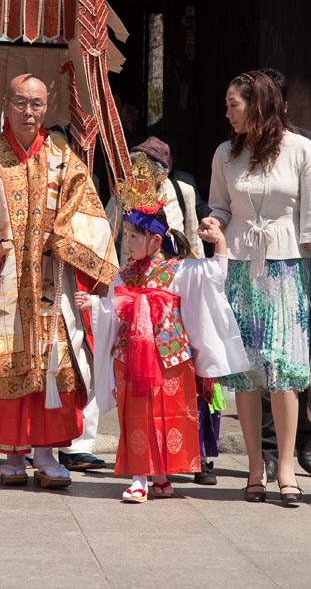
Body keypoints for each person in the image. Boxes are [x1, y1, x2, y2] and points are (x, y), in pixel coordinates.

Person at [0, 73, 117, 489]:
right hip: (4, 283)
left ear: (47, 107)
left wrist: (66, 241)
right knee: (10, 362)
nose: (29, 112)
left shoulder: (63, 159)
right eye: (20, 102)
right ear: (6, 103)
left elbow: (87, 213)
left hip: (53, 281)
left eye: (36, 104)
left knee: (54, 366)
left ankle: (46, 454)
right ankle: (13, 455)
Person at [76, 153, 249, 503]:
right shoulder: (123, 275)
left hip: (170, 356)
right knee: (138, 416)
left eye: (134, 236)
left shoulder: (177, 270)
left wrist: (221, 244)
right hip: (132, 358)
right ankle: (140, 476)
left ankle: (160, 476)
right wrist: (96, 306)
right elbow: (114, 308)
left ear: (155, 240)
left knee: (166, 415)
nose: (128, 242)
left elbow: (214, 275)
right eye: (124, 234)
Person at [201, 69, 311, 506]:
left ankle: (285, 466)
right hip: (241, 267)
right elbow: (220, 205)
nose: (227, 113)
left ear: (259, 104)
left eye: (234, 104)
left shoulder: (301, 149)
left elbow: (309, 218)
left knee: (283, 369)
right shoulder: (225, 153)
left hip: (286, 268)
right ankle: (254, 467)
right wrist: (215, 223)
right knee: (245, 370)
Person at [130, 136, 222, 485]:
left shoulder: (180, 189)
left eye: (145, 164)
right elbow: (114, 232)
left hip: (177, 283)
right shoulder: (125, 193)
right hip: (140, 287)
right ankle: (157, 460)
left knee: (196, 374)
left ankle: (199, 456)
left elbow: (194, 236)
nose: (139, 170)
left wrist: (196, 279)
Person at [257, 67, 311, 481]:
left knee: (295, 364)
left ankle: (302, 444)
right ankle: (271, 452)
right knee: (266, 360)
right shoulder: (241, 150)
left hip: (298, 262)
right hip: (273, 261)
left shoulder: (303, 147)